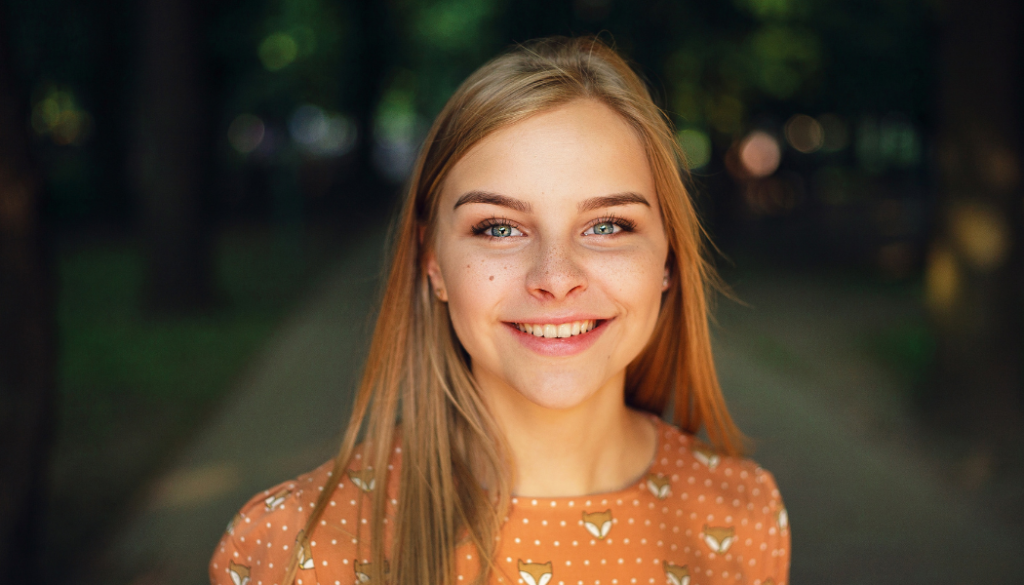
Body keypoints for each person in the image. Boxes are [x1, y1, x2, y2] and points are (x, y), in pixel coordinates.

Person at [209, 36, 789, 585]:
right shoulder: (291, 546)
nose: (556, 279)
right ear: (432, 260)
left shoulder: (743, 515)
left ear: (667, 258)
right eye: (499, 227)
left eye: (608, 225)